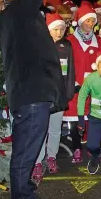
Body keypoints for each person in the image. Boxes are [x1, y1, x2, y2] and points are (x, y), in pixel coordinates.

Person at [0, 0, 70, 198]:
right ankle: (23, 195)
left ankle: (24, 190)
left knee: (24, 151)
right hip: (34, 97)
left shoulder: (12, 22)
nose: (39, 1)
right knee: (26, 153)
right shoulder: (19, 12)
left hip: (27, 96)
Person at [31, 13, 75, 185]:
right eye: (55, 29)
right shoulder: (38, 45)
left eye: (62, 29)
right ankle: (37, 162)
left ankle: (51, 157)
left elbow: (70, 71)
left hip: (59, 95)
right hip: (43, 96)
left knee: (55, 129)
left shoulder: (67, 46)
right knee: (40, 129)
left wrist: (68, 92)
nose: (59, 33)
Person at [66, 2, 101, 163]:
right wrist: (73, 83)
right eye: (87, 20)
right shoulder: (69, 41)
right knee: (75, 118)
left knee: (94, 118)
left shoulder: (100, 41)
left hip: (95, 87)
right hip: (76, 86)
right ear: (80, 21)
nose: (90, 24)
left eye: (92, 21)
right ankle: (77, 147)